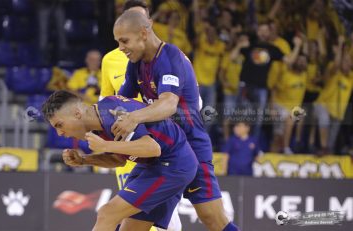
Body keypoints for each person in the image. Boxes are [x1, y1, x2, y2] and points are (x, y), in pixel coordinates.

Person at [113, 10, 239, 231]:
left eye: (124, 41)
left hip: (191, 145)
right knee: (129, 223)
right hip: (162, 151)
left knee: (212, 218)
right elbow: (121, 101)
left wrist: (133, 117)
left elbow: (169, 104)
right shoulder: (136, 63)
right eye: (118, 42)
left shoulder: (170, 58)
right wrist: (94, 117)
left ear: (143, 33)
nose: (120, 47)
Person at [41, 91, 198, 231]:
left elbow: (152, 148)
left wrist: (105, 145)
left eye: (59, 125)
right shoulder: (98, 122)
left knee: (107, 214)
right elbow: (118, 160)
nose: (60, 133)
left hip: (173, 164)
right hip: (155, 164)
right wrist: (83, 160)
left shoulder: (113, 115)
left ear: (77, 114)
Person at [100, 1, 181, 230]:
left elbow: (179, 101)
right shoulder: (111, 60)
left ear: (146, 27)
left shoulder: (168, 58)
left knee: (157, 217)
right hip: (127, 148)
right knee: (137, 216)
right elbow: (107, 101)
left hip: (162, 145)